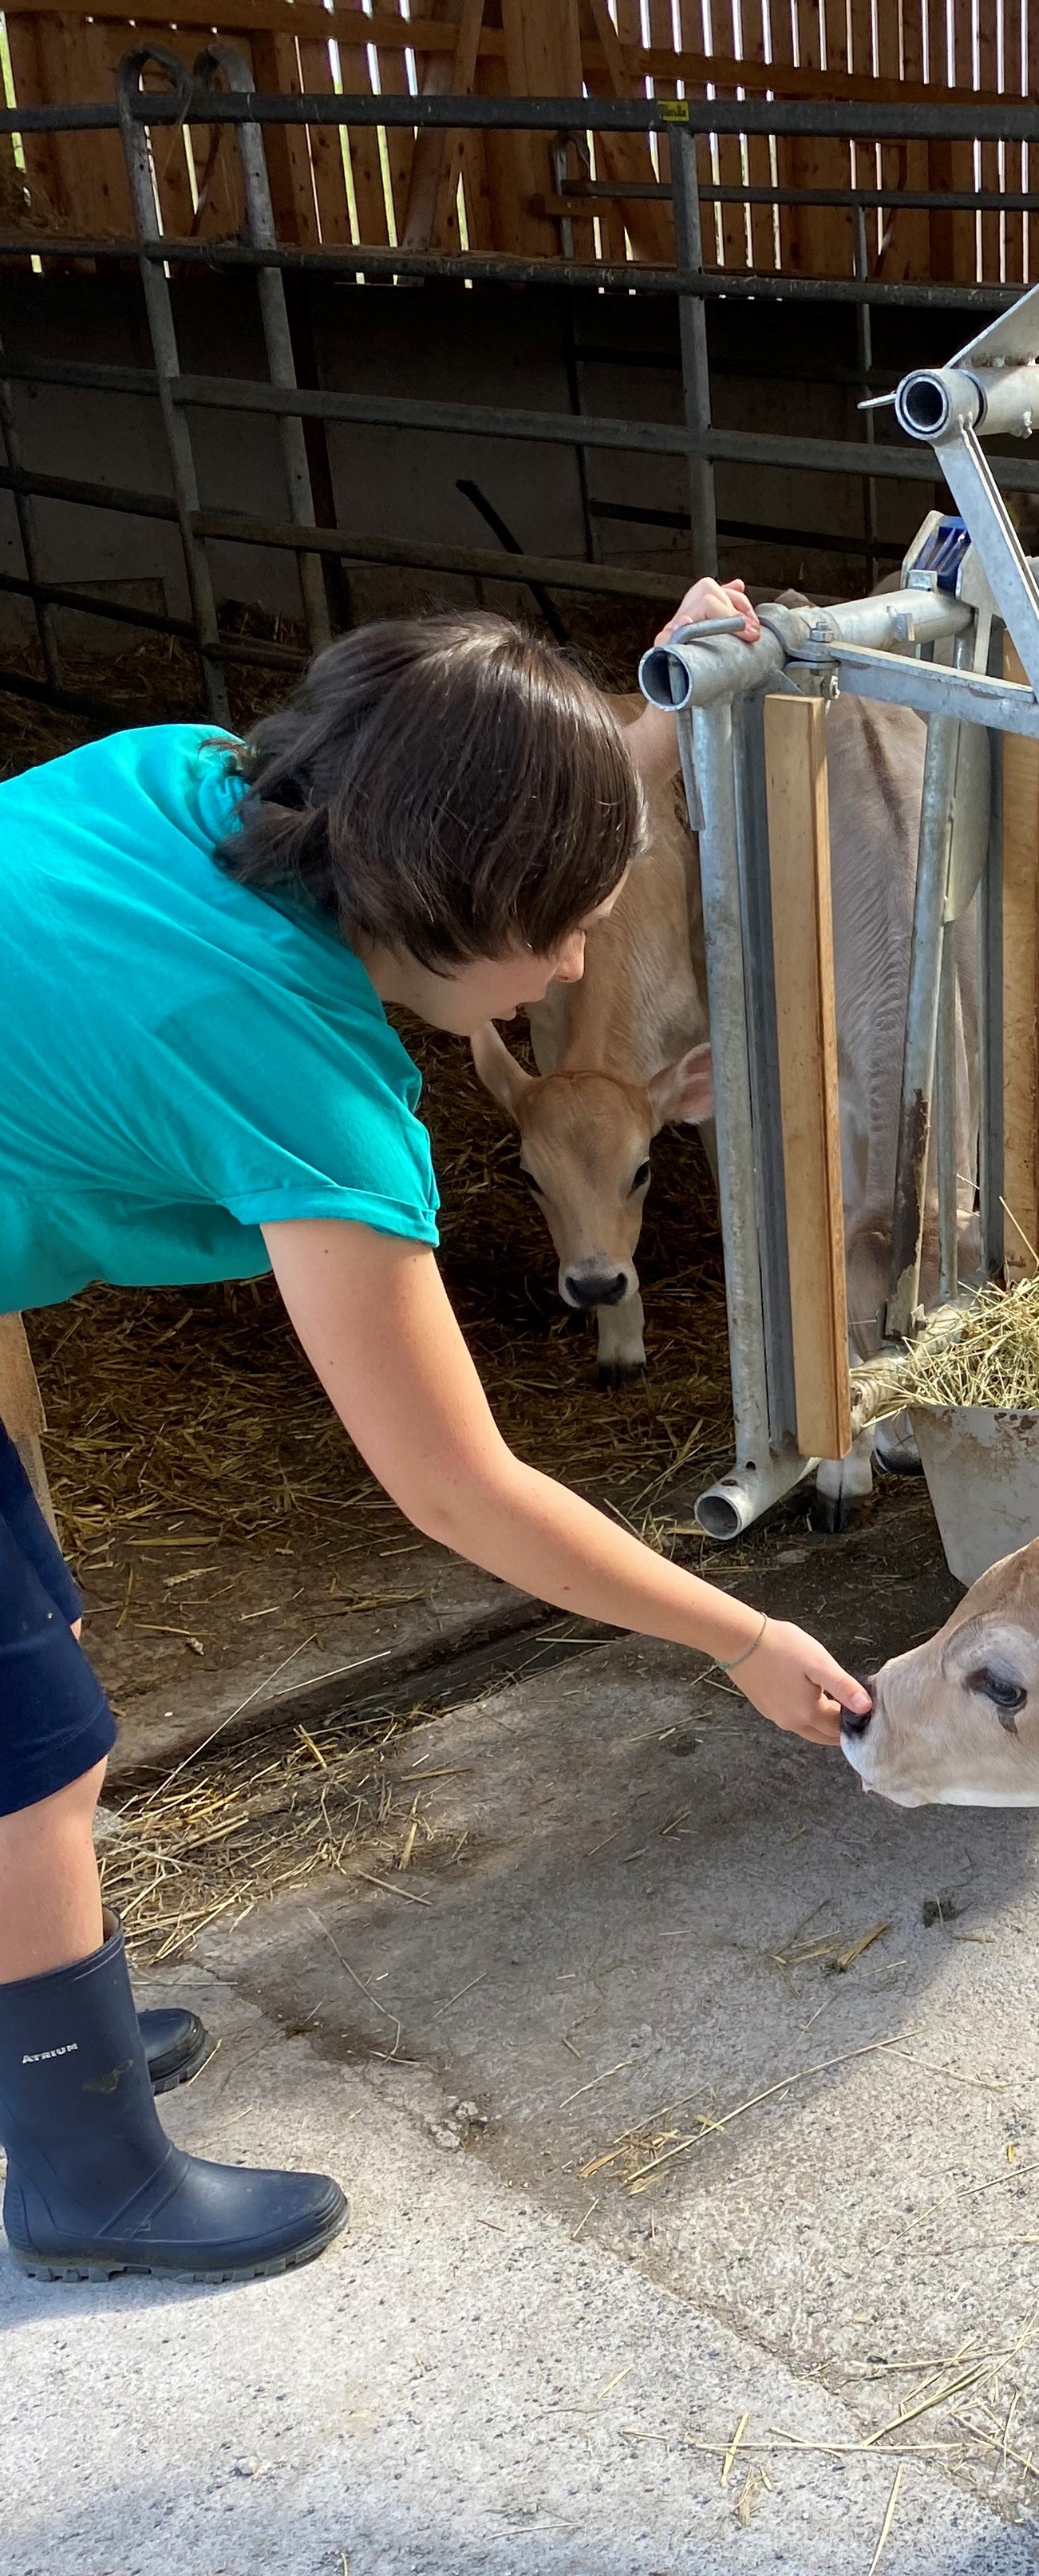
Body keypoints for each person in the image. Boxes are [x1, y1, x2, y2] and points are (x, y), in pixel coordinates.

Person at [0, 580, 867, 2286]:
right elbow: (460, 1486)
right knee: (35, 1755)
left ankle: (36, 2030)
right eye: (564, 930)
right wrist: (742, 1635)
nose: (575, 968)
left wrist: (639, 730)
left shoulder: (198, 779)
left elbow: (452, 816)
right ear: (460, 900)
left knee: (32, 1687)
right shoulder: (300, 1082)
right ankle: (83, 2175)